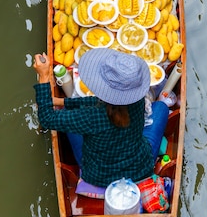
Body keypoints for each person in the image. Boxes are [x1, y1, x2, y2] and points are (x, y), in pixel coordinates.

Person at [33, 48, 169, 188]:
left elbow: (46, 118)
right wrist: (62, 101)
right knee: (161, 107)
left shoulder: (91, 117)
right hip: (139, 168)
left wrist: (44, 76)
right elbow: (99, 103)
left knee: (69, 116)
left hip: (98, 176)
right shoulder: (137, 100)